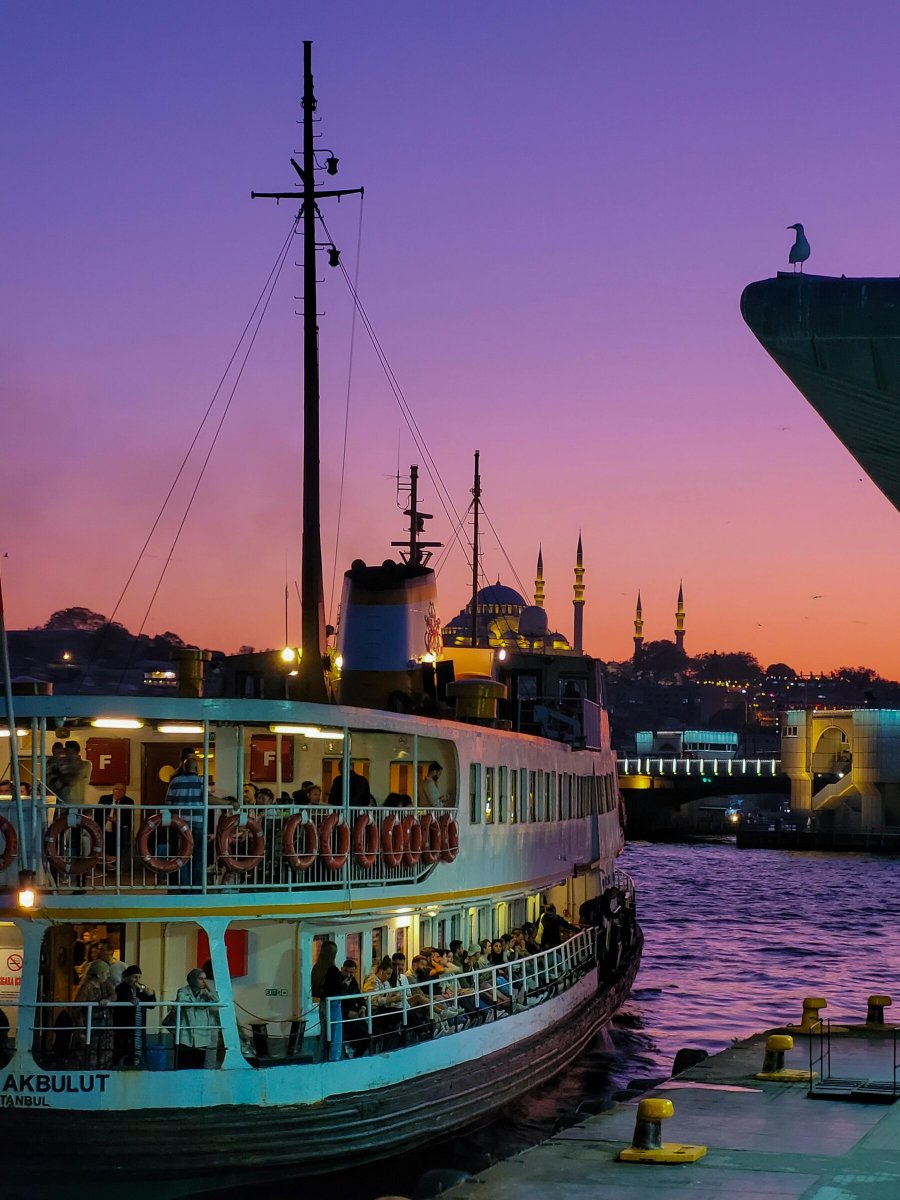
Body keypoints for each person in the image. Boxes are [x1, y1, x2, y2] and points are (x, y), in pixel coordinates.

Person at [164, 754, 206, 888]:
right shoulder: (201, 782)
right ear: (197, 767)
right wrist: (229, 803)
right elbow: (208, 799)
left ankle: (181, 886)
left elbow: (167, 803)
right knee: (198, 856)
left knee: (180, 856)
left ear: (183, 767)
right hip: (197, 823)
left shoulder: (175, 782)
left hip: (179, 824)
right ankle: (197, 887)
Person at [172, 968, 220, 1069]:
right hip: (185, 1036)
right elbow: (182, 1000)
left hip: (201, 1036)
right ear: (193, 979)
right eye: (201, 979)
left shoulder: (205, 993)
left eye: (205, 979)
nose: (204, 981)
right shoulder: (183, 990)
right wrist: (196, 1000)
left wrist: (208, 990)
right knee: (183, 1066)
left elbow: (217, 999)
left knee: (198, 1066)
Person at [74, 960, 115, 1069]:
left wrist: (108, 999)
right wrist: (81, 1030)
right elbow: (77, 1008)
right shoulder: (87, 988)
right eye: (106, 973)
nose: (108, 975)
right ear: (98, 974)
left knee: (105, 1053)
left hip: (104, 1028)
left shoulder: (105, 985)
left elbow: (114, 995)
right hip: (91, 1028)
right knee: (90, 1055)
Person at [113, 965, 156, 1066]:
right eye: (134, 977)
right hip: (126, 1024)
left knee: (139, 1047)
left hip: (139, 1025)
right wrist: (131, 1001)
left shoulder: (141, 988)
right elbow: (121, 1003)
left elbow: (152, 1005)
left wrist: (151, 995)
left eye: (139, 977)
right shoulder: (120, 988)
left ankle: (138, 1064)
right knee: (126, 1047)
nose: (137, 980)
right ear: (127, 977)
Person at [310, 940, 345, 1063]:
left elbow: (316, 990)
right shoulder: (333, 970)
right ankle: (334, 1059)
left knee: (324, 1034)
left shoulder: (316, 968)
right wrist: (343, 983)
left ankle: (321, 1059)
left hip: (323, 1004)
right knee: (335, 1034)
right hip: (333, 1004)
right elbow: (336, 989)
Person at [98, 782, 134, 861]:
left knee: (118, 838)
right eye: (116, 789)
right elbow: (98, 814)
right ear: (112, 791)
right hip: (103, 829)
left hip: (117, 830)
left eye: (122, 790)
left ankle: (115, 864)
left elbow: (128, 819)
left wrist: (117, 820)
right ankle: (102, 862)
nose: (119, 791)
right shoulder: (104, 799)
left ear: (125, 792)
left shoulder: (129, 801)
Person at [62, 740, 91, 806]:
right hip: (63, 803)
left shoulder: (85, 765)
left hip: (78, 803)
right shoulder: (63, 765)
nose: (68, 756)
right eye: (67, 753)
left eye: (70, 753)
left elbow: (72, 781)